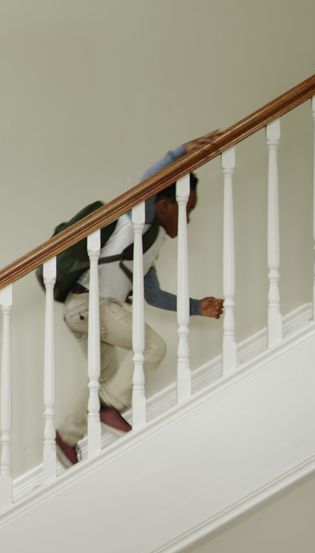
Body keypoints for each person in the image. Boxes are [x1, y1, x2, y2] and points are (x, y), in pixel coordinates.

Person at [55, 131, 225, 466]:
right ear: (162, 205)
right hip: (93, 305)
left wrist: (195, 307)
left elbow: (154, 295)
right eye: (185, 209)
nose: (188, 219)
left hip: (83, 312)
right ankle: (109, 407)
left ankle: (66, 437)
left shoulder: (152, 242)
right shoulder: (139, 220)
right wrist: (177, 153)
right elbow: (148, 182)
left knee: (102, 377)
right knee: (153, 348)